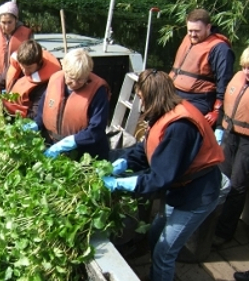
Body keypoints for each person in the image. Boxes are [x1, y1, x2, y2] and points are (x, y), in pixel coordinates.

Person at [102, 69, 224, 281]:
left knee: (165, 251)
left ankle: (161, 275)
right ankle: (158, 275)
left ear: (152, 96)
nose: (139, 102)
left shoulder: (180, 127)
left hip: (198, 193)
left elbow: (161, 177)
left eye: (140, 97)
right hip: (180, 189)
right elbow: (147, 147)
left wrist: (122, 184)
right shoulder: (164, 113)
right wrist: (124, 163)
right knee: (155, 233)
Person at [23, 48, 111, 160]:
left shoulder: (98, 92)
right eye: (71, 78)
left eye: (80, 80)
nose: (74, 84)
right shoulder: (55, 80)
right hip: (54, 146)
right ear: (63, 67)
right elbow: (43, 110)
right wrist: (36, 125)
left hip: (85, 153)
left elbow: (96, 129)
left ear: (88, 73)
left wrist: (71, 142)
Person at [169, 8, 235, 128]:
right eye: (190, 31)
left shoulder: (220, 49)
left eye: (197, 31)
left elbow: (224, 83)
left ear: (208, 27)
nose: (193, 34)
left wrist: (216, 112)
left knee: (179, 126)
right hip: (175, 93)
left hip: (199, 99)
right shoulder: (188, 39)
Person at [213, 46, 249, 246]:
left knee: (238, 184)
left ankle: (225, 231)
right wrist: (219, 126)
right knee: (221, 178)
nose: (247, 72)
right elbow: (228, 104)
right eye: (245, 67)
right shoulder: (238, 79)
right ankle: (211, 222)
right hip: (229, 133)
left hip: (247, 142)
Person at [0, 39, 61, 119]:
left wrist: (10, 109)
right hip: (6, 108)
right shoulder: (18, 63)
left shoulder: (44, 84)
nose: (25, 71)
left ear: (39, 63)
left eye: (29, 68)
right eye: (22, 66)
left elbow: (34, 114)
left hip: (21, 118)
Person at [0, 1, 32, 89]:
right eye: (3, 22)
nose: (6, 26)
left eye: (10, 22)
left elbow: (32, 62)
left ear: (16, 20)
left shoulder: (27, 36)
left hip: (18, 80)